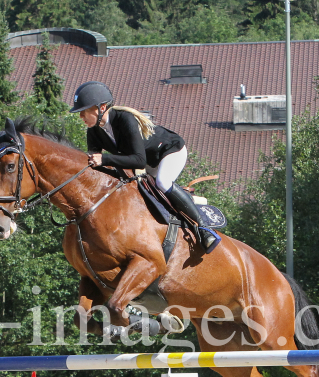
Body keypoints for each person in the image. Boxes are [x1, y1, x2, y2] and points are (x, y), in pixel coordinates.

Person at [69, 81, 220, 253]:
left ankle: (204, 229)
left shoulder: (125, 119)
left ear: (102, 107)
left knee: (162, 182)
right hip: (147, 162)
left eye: (83, 111)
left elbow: (138, 161)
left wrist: (104, 159)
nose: (81, 117)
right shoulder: (94, 131)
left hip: (169, 151)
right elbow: (94, 165)